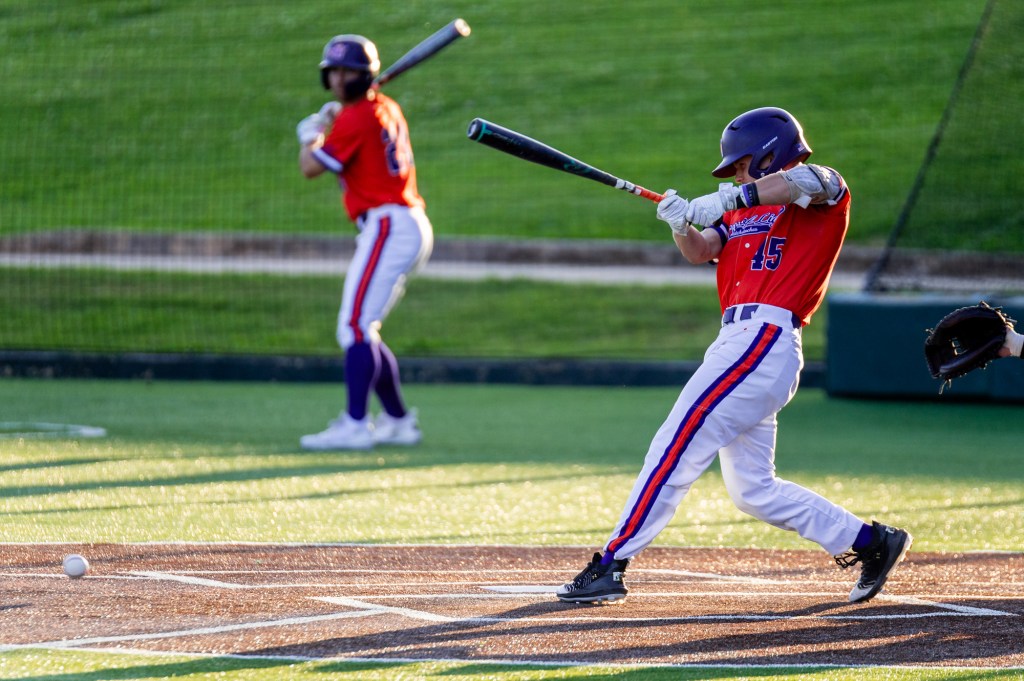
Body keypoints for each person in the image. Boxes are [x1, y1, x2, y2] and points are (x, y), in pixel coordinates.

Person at [556, 107, 912, 605]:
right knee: (753, 490)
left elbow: (811, 181)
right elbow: (702, 250)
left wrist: (728, 196)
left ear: (771, 154)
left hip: (764, 338)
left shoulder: (820, 191)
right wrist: (681, 223)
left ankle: (611, 562)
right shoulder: (741, 210)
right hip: (739, 342)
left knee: (676, 441)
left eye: (743, 166)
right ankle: (872, 542)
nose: (737, 176)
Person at [295, 34, 433, 450]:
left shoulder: (358, 117)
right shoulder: (382, 107)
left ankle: (356, 425)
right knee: (364, 328)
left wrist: (311, 135)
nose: (339, 79)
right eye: (334, 71)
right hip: (403, 223)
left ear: (366, 75)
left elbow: (309, 168)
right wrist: (335, 122)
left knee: (354, 327)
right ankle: (399, 421)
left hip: (389, 224)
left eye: (348, 71)